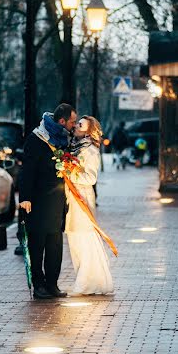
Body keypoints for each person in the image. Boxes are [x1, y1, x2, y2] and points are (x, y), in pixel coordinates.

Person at [19, 103, 77, 299]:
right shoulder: (37, 139)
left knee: (55, 246)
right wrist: (25, 197)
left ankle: (52, 284)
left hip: (58, 201)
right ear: (62, 121)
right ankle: (39, 285)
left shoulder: (63, 139)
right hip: (38, 201)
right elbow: (27, 170)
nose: (74, 125)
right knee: (37, 246)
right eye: (72, 122)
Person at [66, 115, 114, 295]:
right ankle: (85, 280)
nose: (77, 126)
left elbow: (91, 178)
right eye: (77, 123)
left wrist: (69, 173)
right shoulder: (75, 147)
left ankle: (86, 283)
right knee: (74, 240)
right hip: (72, 197)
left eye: (81, 125)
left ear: (89, 130)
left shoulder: (90, 151)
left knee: (84, 239)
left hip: (82, 199)